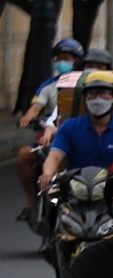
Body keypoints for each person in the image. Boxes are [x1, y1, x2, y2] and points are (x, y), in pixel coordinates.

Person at [40, 71, 113, 196]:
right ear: (85, 98)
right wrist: (47, 174)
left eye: (104, 93)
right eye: (92, 94)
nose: (98, 99)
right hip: (76, 193)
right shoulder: (70, 127)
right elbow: (54, 156)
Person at [15, 38, 83, 207]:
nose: (62, 62)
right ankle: (31, 202)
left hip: (80, 136)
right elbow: (37, 107)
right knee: (25, 154)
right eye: (59, 58)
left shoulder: (84, 84)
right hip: (54, 138)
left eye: (67, 58)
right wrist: (28, 117)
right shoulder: (49, 86)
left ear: (77, 61)